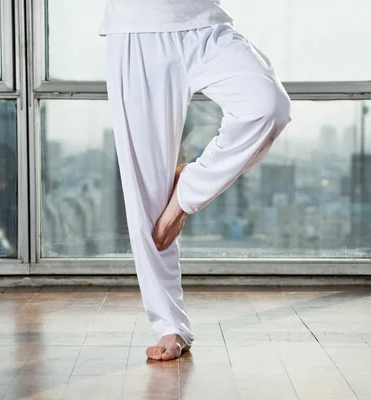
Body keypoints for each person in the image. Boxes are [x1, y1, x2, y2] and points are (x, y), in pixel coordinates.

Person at [100, 0, 292, 361]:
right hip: (135, 30)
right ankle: (169, 325)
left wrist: (187, 197)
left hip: (205, 24)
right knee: (147, 197)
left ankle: (188, 189)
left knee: (268, 107)